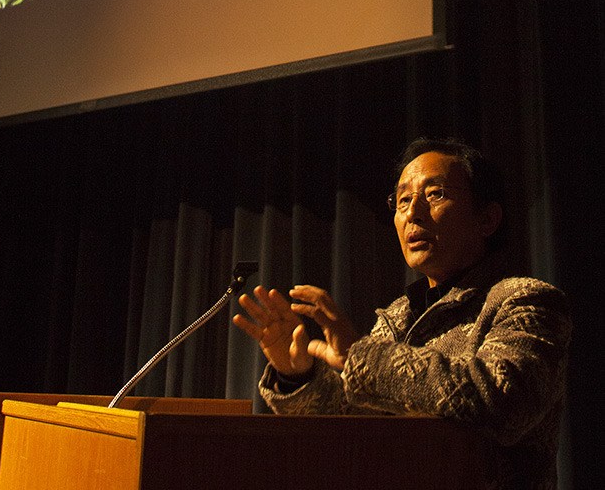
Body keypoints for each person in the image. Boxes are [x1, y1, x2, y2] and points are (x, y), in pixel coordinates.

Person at [233, 137, 571, 490]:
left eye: (435, 194)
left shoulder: (525, 301)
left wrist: (357, 354)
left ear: (487, 218)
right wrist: (297, 374)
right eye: (403, 200)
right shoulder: (398, 316)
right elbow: (351, 418)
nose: (412, 212)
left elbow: (501, 402)